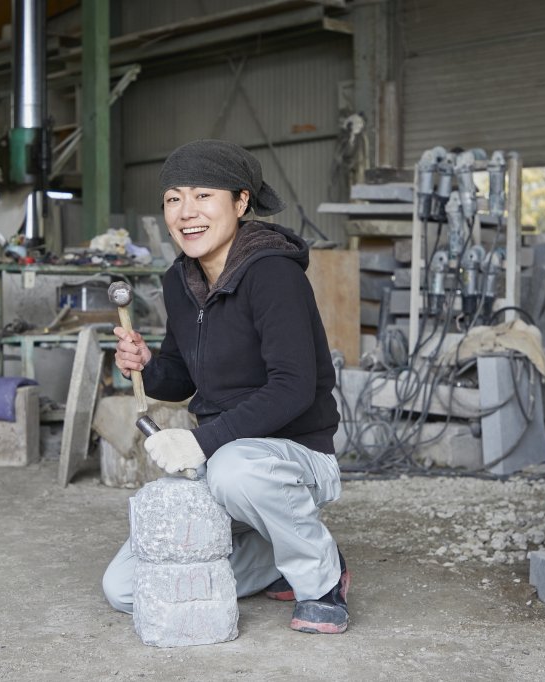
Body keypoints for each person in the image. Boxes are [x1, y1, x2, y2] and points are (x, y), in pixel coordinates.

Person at [101, 139, 350, 634]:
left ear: (240, 202)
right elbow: (181, 374)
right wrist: (146, 365)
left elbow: (294, 387)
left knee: (238, 469)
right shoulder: (181, 281)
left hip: (291, 458)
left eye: (202, 196)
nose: (185, 213)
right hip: (218, 462)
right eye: (173, 198)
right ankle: (277, 554)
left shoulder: (273, 275)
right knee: (126, 590)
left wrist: (200, 441)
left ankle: (322, 579)